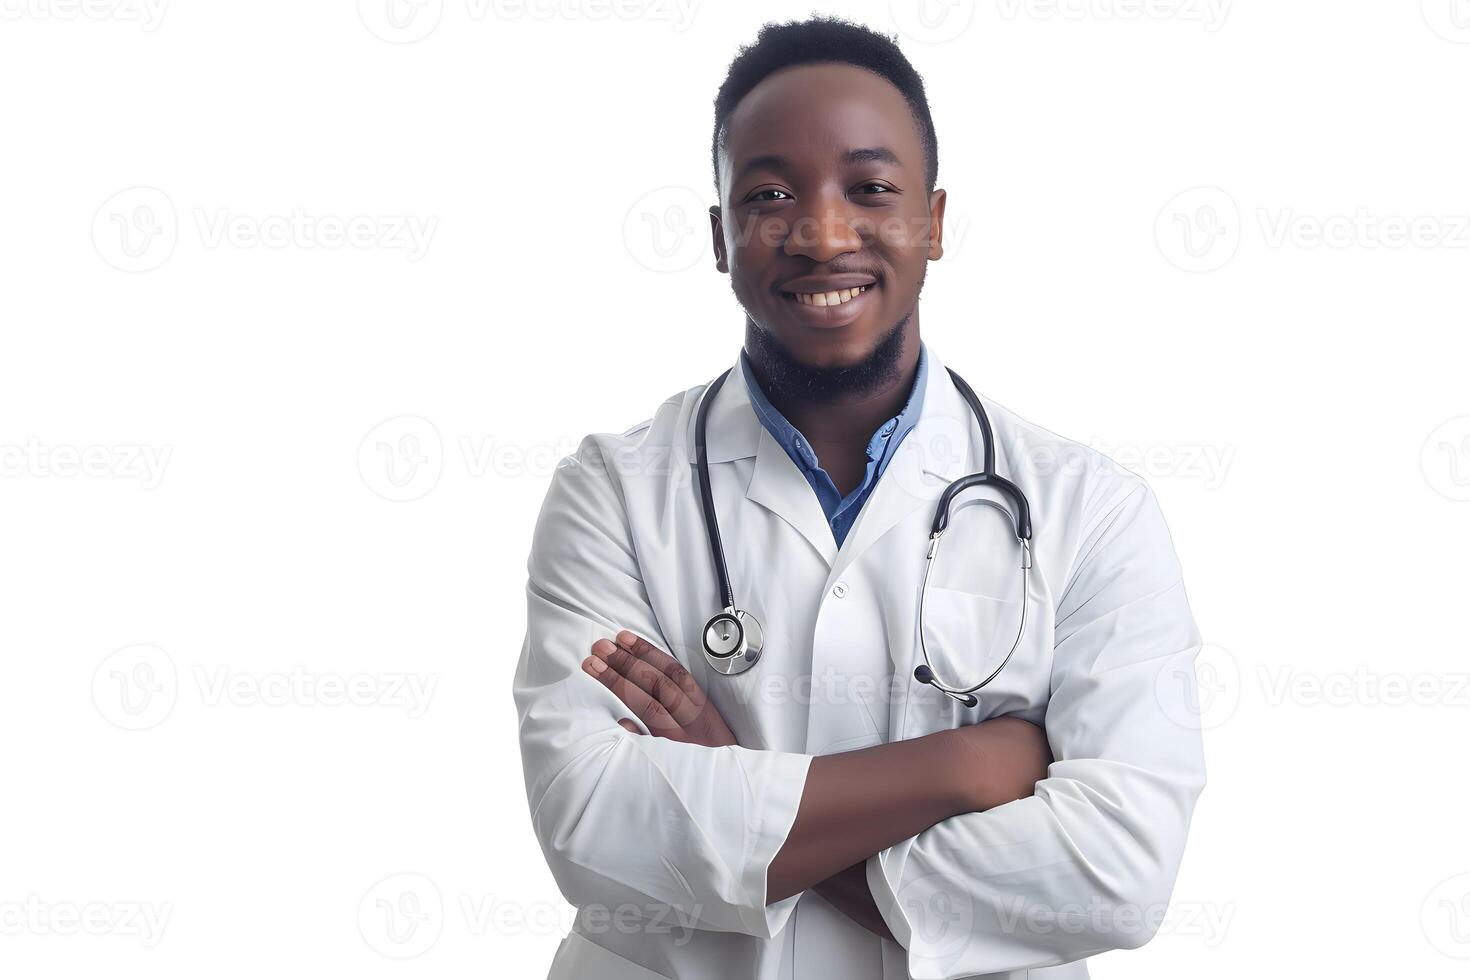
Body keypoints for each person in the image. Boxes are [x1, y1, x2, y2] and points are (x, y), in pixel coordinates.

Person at [513, 15, 1206, 979]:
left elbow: (1119, 874)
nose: (823, 232)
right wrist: (964, 769)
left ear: (933, 220)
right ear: (720, 236)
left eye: (871, 188)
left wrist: (726, 775)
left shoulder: (1091, 509)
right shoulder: (614, 491)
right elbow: (591, 827)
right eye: (768, 193)